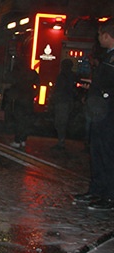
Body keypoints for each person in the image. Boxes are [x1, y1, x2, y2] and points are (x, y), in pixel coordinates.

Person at [73, 20, 114, 210]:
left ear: (107, 35)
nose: (98, 39)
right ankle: (97, 190)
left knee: (107, 154)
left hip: (109, 113)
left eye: (100, 35)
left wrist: (100, 89)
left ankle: (109, 196)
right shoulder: (107, 57)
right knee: (97, 152)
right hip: (101, 113)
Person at [6, 60, 39, 149]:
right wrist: (33, 94)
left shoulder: (18, 74)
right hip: (28, 100)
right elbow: (38, 84)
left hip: (20, 100)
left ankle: (17, 140)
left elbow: (12, 83)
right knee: (26, 121)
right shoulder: (32, 73)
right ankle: (23, 140)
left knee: (19, 121)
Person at [50, 58, 79, 150]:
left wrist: (53, 98)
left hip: (62, 102)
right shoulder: (72, 76)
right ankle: (61, 141)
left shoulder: (62, 76)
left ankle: (61, 142)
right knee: (62, 122)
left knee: (60, 122)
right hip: (68, 101)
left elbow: (59, 89)